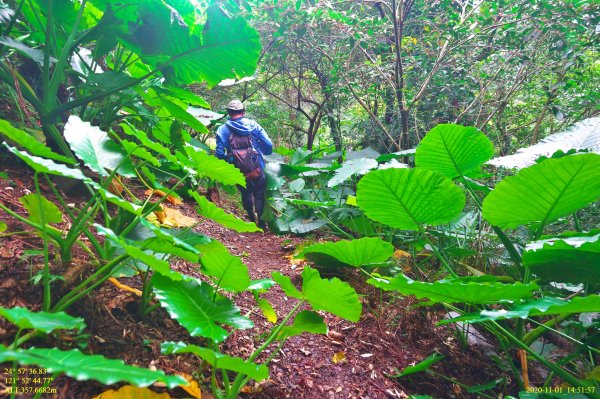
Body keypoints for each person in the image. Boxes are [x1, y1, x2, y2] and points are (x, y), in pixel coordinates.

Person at [215, 100, 273, 230]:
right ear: (243, 112)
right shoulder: (253, 125)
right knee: (259, 193)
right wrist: (262, 152)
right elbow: (268, 145)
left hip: (238, 170)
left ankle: (252, 220)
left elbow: (219, 154)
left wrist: (231, 162)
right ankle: (262, 225)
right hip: (256, 167)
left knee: (245, 193)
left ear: (229, 112)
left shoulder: (222, 129)